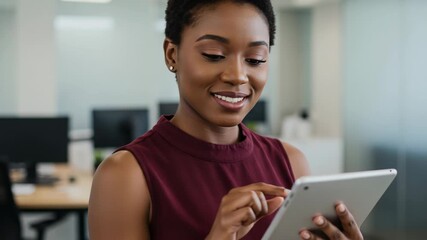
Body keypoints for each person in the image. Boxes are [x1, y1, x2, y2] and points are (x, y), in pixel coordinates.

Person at [88, 0, 364, 239]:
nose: (238, 76)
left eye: (255, 59)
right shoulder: (126, 174)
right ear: (172, 54)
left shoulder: (291, 162)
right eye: (214, 55)